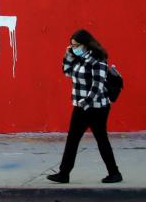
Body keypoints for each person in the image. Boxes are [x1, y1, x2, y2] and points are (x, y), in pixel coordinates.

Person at [46, 29, 123, 184]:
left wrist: (85, 103)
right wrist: (68, 54)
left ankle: (114, 173)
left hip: (96, 107)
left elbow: (98, 86)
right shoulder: (79, 60)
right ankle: (64, 174)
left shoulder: (98, 61)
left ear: (86, 45)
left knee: (101, 139)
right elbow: (67, 72)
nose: (74, 48)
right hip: (81, 106)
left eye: (76, 45)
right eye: (72, 46)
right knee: (72, 139)